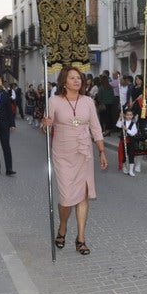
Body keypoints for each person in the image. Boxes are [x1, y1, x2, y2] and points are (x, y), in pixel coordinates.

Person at [41, 67, 108, 256]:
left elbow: (95, 127)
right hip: (62, 154)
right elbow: (45, 129)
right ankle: (62, 227)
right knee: (66, 198)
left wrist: (102, 151)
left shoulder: (88, 101)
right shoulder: (53, 101)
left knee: (83, 196)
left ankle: (81, 239)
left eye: (79, 78)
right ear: (64, 81)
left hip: (84, 153)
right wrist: (45, 125)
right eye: (72, 78)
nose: (77, 81)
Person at [116, 109, 138, 176]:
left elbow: (133, 133)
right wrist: (120, 117)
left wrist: (126, 129)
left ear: (132, 116)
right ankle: (124, 167)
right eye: (127, 115)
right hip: (123, 141)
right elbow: (118, 125)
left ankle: (131, 170)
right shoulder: (123, 122)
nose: (129, 116)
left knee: (131, 155)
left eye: (130, 115)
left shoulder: (133, 124)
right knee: (124, 155)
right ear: (125, 115)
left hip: (131, 142)